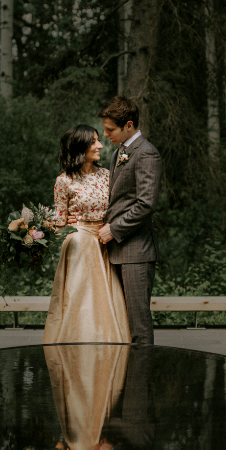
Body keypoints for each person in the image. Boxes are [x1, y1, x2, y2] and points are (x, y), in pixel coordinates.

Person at [43, 124, 131, 344]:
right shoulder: (63, 181)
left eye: (98, 139)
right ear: (80, 146)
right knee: (81, 303)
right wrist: (54, 223)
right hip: (79, 245)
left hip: (105, 242)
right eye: (93, 141)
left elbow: (119, 207)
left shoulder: (107, 175)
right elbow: (59, 220)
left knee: (105, 303)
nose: (100, 145)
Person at [97, 96, 161, 345]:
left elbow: (146, 204)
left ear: (129, 125)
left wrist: (113, 229)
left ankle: (139, 382)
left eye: (110, 129)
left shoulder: (147, 154)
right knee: (119, 324)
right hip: (116, 251)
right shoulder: (119, 153)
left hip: (136, 252)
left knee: (138, 326)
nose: (105, 134)